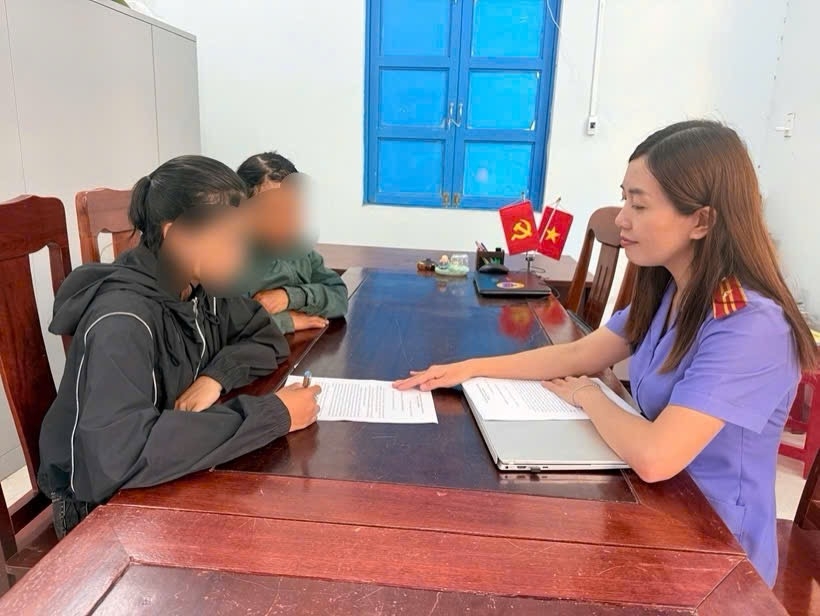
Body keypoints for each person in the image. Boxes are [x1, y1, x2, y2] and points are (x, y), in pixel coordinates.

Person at [394, 120, 817, 586]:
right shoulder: (671, 290)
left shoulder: (749, 324)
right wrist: (471, 368)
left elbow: (656, 456)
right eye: (624, 199)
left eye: (639, 204)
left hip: (713, 551)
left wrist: (589, 396)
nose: (621, 219)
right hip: (653, 511)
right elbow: (577, 355)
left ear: (701, 221)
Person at [38, 155, 322, 537]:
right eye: (230, 240)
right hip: (100, 512)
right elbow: (118, 457)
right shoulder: (121, 323)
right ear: (177, 235)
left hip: (162, 476)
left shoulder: (200, 287)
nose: (242, 255)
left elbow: (264, 335)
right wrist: (273, 415)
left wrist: (216, 378)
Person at [236, 151, 348, 334]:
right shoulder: (230, 261)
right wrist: (287, 321)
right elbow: (228, 326)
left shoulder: (299, 251)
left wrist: (288, 297)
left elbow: (340, 298)